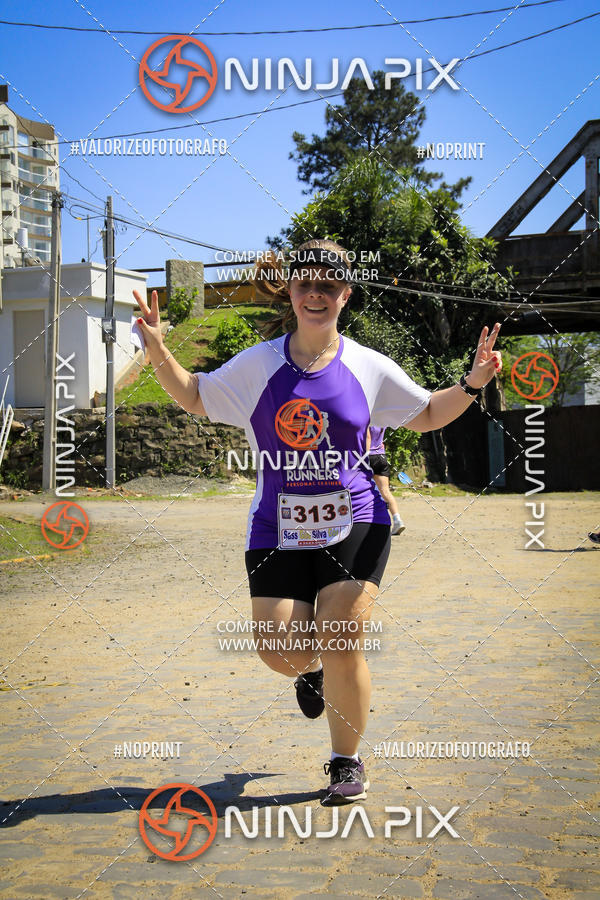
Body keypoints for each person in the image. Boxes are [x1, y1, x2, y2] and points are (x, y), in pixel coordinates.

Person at [133, 239, 502, 806]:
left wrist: (473, 383)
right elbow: (195, 397)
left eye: (329, 285)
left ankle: (345, 761)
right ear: (291, 289)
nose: (316, 293)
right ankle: (313, 673)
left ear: (345, 295)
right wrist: (159, 349)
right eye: (306, 282)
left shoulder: (367, 366)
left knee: (341, 633)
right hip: (276, 527)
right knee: (279, 650)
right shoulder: (258, 365)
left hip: (356, 518)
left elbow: (427, 413)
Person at [366, 425, 406, 535]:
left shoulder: (367, 419)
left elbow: (366, 438)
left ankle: (370, 523)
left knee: (364, 490)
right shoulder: (382, 420)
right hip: (381, 456)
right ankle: (397, 520)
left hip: (369, 456)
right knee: (385, 491)